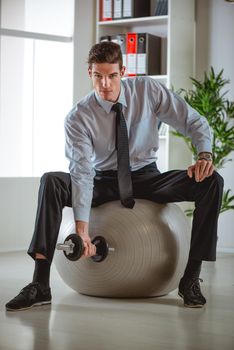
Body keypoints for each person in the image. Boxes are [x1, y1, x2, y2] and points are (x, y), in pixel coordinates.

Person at [6, 41, 223, 311]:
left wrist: (204, 156)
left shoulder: (148, 90)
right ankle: (40, 285)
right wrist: (82, 232)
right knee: (51, 180)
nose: (105, 84)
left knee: (212, 181)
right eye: (98, 76)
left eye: (111, 76)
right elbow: (82, 172)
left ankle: (190, 279)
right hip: (103, 181)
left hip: (147, 177)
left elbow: (193, 121)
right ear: (90, 73)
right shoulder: (78, 117)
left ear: (123, 71)